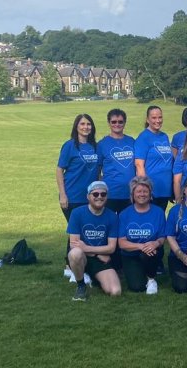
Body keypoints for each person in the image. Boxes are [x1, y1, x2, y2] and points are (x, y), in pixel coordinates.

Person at [57, 114, 99, 279]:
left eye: (88, 124)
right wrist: (62, 194)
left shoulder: (95, 146)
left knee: (83, 231)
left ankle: (78, 263)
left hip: (90, 197)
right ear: (76, 126)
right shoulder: (69, 146)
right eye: (82, 124)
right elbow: (60, 170)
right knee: (76, 231)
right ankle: (71, 266)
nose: (85, 127)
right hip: (72, 196)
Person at [66, 181, 121, 301]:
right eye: (95, 194)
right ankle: (81, 285)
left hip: (100, 259)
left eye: (103, 194)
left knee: (115, 291)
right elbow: (74, 244)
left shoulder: (112, 216)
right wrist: (96, 253)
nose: (99, 197)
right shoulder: (77, 213)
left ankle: (94, 277)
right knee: (75, 254)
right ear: (88, 196)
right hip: (87, 256)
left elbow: (111, 248)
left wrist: (87, 248)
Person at [117, 176, 166, 294]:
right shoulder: (124, 214)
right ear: (133, 194)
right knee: (137, 287)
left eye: (145, 191)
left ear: (150, 194)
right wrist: (140, 246)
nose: (142, 194)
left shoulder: (158, 212)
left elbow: (162, 237)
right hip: (131, 255)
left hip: (152, 252)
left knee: (148, 253)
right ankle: (139, 272)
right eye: (139, 191)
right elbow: (121, 243)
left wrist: (156, 243)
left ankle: (151, 279)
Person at [134, 105, 173, 212]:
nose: (158, 121)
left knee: (160, 220)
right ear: (147, 119)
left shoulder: (164, 136)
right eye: (154, 118)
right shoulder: (143, 138)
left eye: (160, 117)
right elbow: (139, 165)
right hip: (151, 191)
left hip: (164, 189)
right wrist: (144, 189)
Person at [97, 109, 135, 213]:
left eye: (120, 122)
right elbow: (97, 170)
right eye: (113, 122)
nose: (117, 124)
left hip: (130, 193)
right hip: (110, 194)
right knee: (111, 226)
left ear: (125, 123)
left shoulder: (132, 141)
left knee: (127, 225)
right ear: (109, 123)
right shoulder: (102, 144)